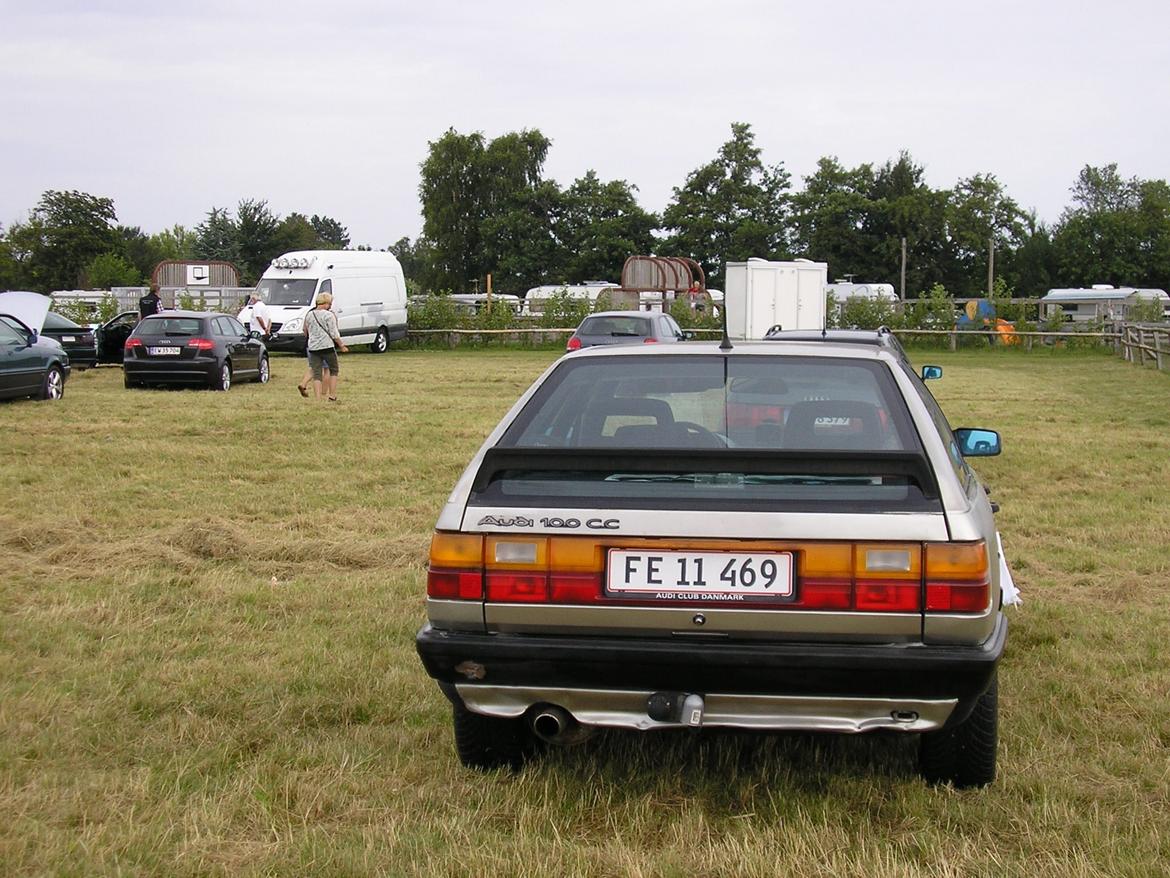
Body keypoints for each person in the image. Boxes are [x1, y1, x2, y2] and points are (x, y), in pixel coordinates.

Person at [301, 292, 347, 401]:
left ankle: (318, 399)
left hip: (313, 347)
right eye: (330, 303)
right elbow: (334, 333)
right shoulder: (328, 315)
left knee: (317, 373)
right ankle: (332, 395)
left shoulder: (309, 314)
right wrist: (341, 345)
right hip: (327, 346)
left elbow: (305, 331)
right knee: (333, 370)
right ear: (325, 303)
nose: (330, 306)